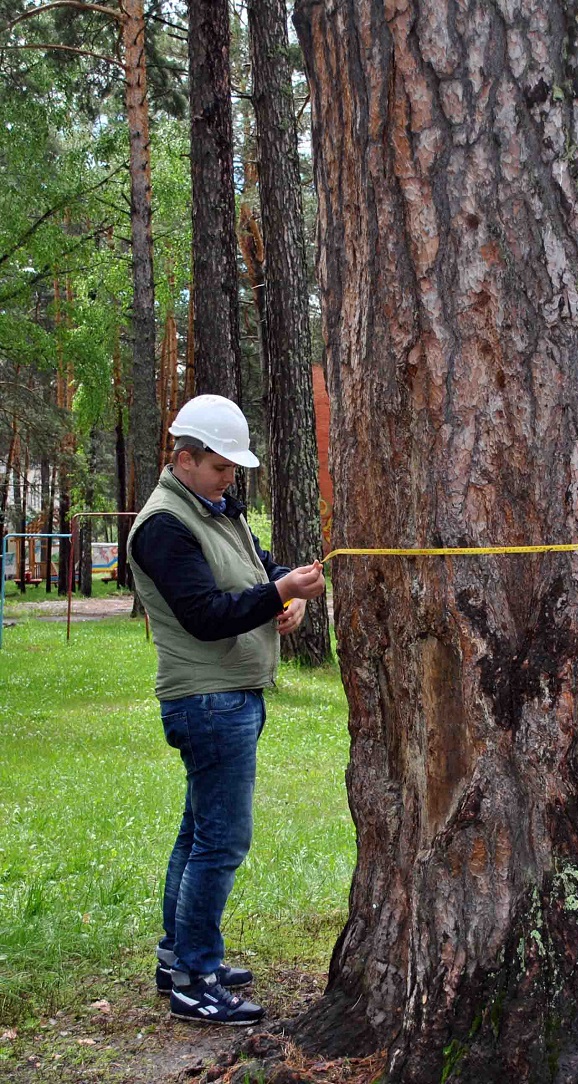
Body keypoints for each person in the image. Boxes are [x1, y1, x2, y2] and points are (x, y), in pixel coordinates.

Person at [129, 394, 326, 1026]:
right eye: (221, 467)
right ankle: (196, 975)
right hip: (207, 701)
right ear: (184, 459)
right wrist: (278, 592)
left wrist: (282, 595)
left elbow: (258, 571)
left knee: (197, 835)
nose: (230, 478)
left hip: (230, 697)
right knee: (222, 841)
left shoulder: (217, 510)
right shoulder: (164, 526)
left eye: (234, 470)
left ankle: (177, 957)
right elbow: (206, 615)